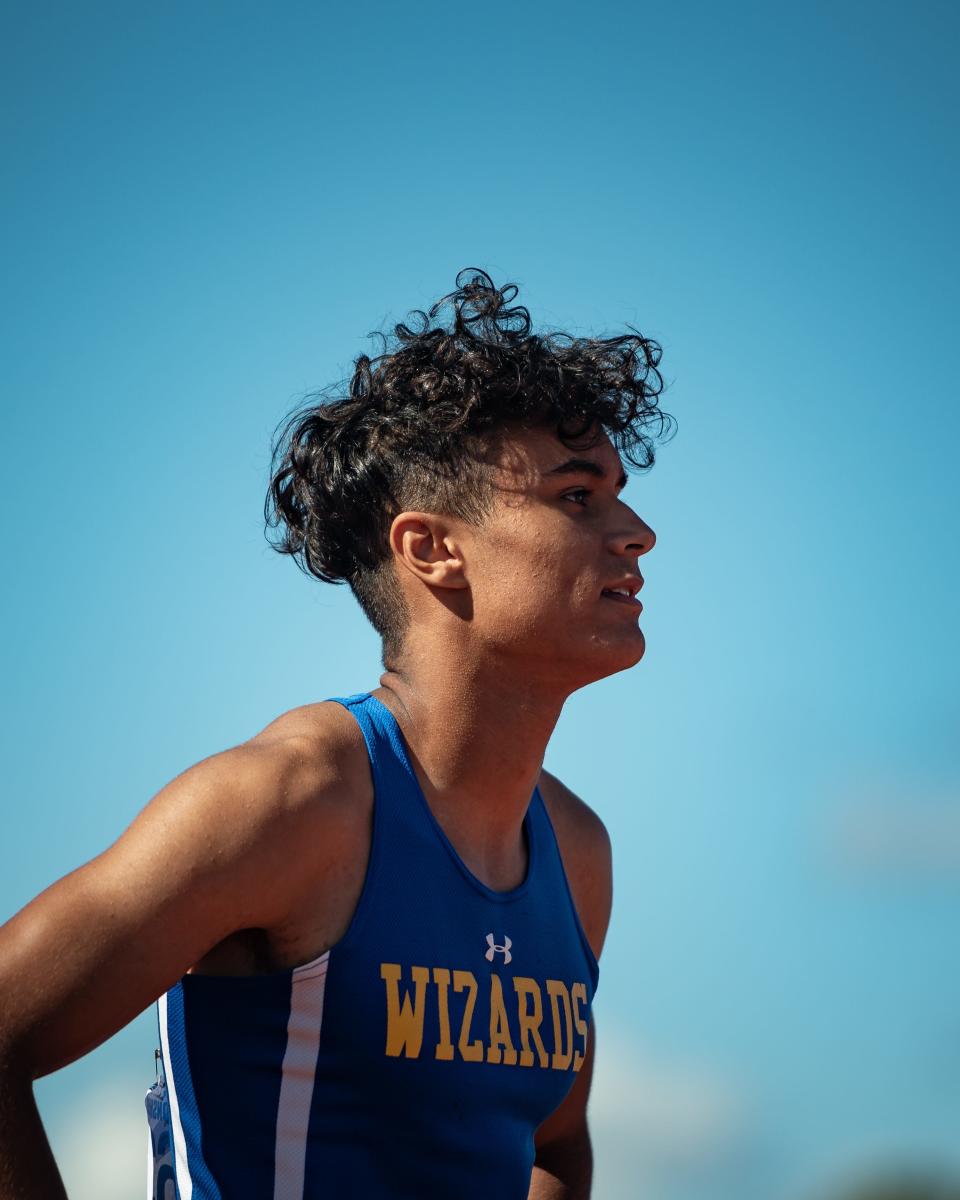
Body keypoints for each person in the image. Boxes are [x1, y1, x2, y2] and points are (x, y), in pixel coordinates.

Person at [0, 267, 674, 1199]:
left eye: (619, 494)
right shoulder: (288, 803)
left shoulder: (576, 850)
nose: (636, 531)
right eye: (576, 497)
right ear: (432, 549)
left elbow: (553, 1146)